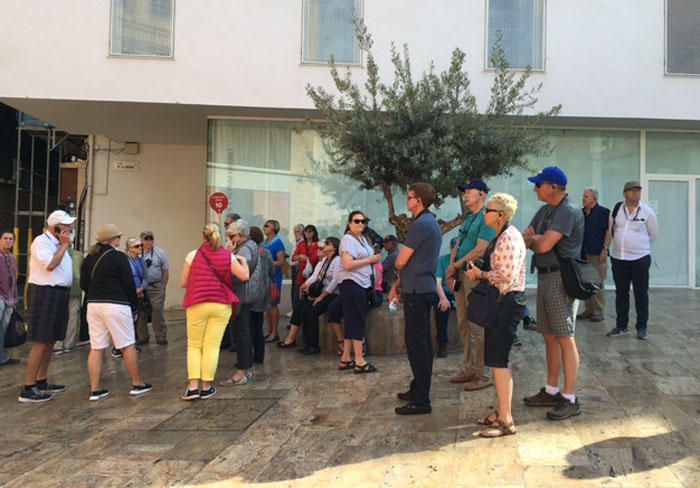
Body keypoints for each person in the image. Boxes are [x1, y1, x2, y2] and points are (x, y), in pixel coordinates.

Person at [522, 166, 583, 421]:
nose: (535, 188)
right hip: (545, 276)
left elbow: (543, 244)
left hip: (560, 278)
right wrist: (537, 238)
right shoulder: (546, 210)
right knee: (549, 335)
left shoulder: (568, 211)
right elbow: (527, 238)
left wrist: (537, 238)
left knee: (564, 337)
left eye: (539, 184)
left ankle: (569, 397)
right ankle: (551, 389)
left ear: (554, 187)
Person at [466, 193, 527, 437]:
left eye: (489, 210)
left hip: (506, 303)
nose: (484, 214)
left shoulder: (509, 238)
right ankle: (502, 411)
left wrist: (481, 275)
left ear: (500, 215)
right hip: (502, 302)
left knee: (499, 362)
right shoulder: (502, 236)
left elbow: (505, 277)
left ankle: (506, 420)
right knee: (496, 360)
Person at [388, 183, 444, 415]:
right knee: (418, 343)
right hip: (419, 288)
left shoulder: (420, 224)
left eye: (409, 197)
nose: (407, 201)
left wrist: (399, 271)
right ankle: (417, 388)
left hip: (418, 291)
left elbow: (401, 261)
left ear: (419, 200)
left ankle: (421, 399)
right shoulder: (429, 223)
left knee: (418, 345)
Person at [81, 224, 152, 401]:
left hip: (94, 304)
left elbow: (84, 283)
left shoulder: (89, 257)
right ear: (114, 240)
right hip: (116, 304)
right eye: (118, 237)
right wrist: (134, 306)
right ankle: (137, 383)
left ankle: (95, 389)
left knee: (96, 347)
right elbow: (128, 284)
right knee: (127, 344)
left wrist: (95, 294)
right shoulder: (119, 257)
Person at [180, 223, 249, 401]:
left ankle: (193, 387)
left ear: (204, 237)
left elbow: (183, 282)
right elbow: (244, 276)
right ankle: (206, 387)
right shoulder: (227, 256)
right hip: (220, 304)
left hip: (197, 303)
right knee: (211, 346)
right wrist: (243, 261)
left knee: (195, 345)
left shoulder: (193, 255)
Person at [19, 210, 75, 403]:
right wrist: (64, 246)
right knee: (41, 339)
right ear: (56, 227)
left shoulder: (58, 244)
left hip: (59, 292)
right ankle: (28, 386)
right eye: (66, 226)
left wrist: (63, 245)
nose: (70, 229)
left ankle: (41, 379)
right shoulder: (41, 242)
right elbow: (50, 265)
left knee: (51, 339)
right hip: (46, 292)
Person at [447, 179, 495, 391]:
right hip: (461, 274)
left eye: (469, 192)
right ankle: (469, 368)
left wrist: (456, 264)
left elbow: (480, 249)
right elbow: (458, 243)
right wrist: (452, 267)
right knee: (463, 323)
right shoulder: (468, 218)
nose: (465, 195)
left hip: (474, 275)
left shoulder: (486, 218)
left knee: (477, 326)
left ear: (482, 195)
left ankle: (482, 373)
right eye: (464, 192)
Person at [605, 181, 658, 340]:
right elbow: (611, 231)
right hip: (619, 258)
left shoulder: (647, 212)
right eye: (632, 190)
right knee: (621, 293)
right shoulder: (616, 210)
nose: (636, 193)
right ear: (624, 193)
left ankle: (642, 327)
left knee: (641, 293)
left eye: (638, 191)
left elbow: (653, 234)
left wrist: (637, 246)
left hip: (640, 259)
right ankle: (621, 326)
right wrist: (605, 249)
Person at [338, 210, 380, 373]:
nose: (361, 224)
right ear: (349, 223)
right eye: (357, 221)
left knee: (351, 320)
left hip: (361, 283)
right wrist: (370, 260)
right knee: (356, 320)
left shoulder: (361, 239)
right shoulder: (348, 240)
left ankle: (346, 357)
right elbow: (347, 264)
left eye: (363, 221)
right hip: (352, 283)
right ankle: (360, 360)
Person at [221, 219, 256, 385]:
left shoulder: (246, 249)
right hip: (241, 295)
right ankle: (245, 367)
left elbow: (239, 272)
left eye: (231, 236)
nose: (228, 239)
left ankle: (242, 370)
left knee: (241, 333)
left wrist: (229, 255)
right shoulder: (246, 246)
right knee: (242, 331)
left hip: (241, 295)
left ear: (241, 236)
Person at [296, 237, 342, 355]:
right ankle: (307, 343)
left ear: (334, 247)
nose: (324, 246)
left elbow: (335, 280)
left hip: (332, 294)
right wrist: (305, 285)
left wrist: (322, 296)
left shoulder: (337, 260)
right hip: (321, 292)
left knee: (312, 313)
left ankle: (313, 345)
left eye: (327, 244)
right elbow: (316, 276)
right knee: (304, 311)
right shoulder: (325, 260)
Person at [280, 225, 320, 347]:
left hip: (311, 278)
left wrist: (305, 258)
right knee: (298, 305)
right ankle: (293, 337)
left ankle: (300, 338)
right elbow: (293, 257)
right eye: (306, 232)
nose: (308, 234)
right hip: (301, 277)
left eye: (310, 231)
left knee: (305, 307)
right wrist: (300, 258)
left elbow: (315, 260)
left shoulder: (317, 245)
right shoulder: (302, 244)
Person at [579, 188, 610, 322]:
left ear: (594, 199)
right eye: (583, 196)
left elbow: (609, 232)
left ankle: (598, 311)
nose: (583, 199)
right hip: (583, 253)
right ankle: (588, 309)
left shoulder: (604, 212)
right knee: (586, 282)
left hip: (598, 253)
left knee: (597, 282)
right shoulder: (582, 213)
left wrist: (605, 249)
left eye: (586, 197)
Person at [136, 230, 170, 345]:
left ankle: (160, 335)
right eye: (146, 239)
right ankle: (143, 336)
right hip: (141, 286)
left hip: (156, 285)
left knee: (157, 310)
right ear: (141, 241)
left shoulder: (160, 253)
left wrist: (162, 286)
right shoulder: (137, 253)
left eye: (151, 239)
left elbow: (165, 270)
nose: (149, 242)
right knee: (141, 311)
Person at [249, 226, 274, 364]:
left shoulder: (248, 252)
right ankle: (259, 355)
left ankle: (249, 355)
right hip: (263, 292)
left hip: (250, 292)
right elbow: (271, 271)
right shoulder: (266, 252)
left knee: (249, 326)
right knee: (258, 325)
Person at [54, 240, 84, 355]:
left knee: (58, 316)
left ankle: (58, 343)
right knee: (72, 317)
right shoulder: (79, 255)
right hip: (76, 288)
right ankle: (69, 343)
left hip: (60, 288)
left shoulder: (56, 254)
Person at [434, 238, 458, 358]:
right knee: (441, 310)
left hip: (460, 293)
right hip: (445, 293)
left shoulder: (465, 261)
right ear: (451, 248)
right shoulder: (443, 261)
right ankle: (442, 344)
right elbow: (437, 283)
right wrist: (443, 298)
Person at [262, 219, 285, 342]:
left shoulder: (278, 243)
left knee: (273, 304)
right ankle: (270, 330)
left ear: (274, 228)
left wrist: (268, 264)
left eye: (267, 226)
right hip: (265, 277)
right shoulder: (265, 242)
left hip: (274, 277)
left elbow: (281, 262)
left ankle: (274, 331)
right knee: (267, 305)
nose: (264, 227)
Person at [0, 231, 19, 366]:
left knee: (4, 330)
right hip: (0, 298)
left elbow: (13, 279)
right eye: (5, 238)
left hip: (9, 299)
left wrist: (14, 298)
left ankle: (2, 357)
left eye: (11, 239)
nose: (8, 241)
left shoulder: (12, 258)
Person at [125, 237, 148, 348]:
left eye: (140, 246)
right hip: (128, 293)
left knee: (136, 318)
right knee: (127, 318)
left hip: (139, 293)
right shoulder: (125, 260)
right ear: (130, 248)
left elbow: (145, 277)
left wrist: (141, 288)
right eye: (136, 246)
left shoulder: (141, 261)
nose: (140, 248)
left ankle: (133, 342)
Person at [288, 223, 305, 317]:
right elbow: (293, 256)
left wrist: (296, 259)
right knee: (293, 290)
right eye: (294, 231)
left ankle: (297, 313)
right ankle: (294, 310)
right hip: (293, 267)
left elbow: (300, 257)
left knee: (297, 291)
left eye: (298, 231)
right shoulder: (294, 242)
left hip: (299, 267)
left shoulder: (303, 242)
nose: (295, 233)